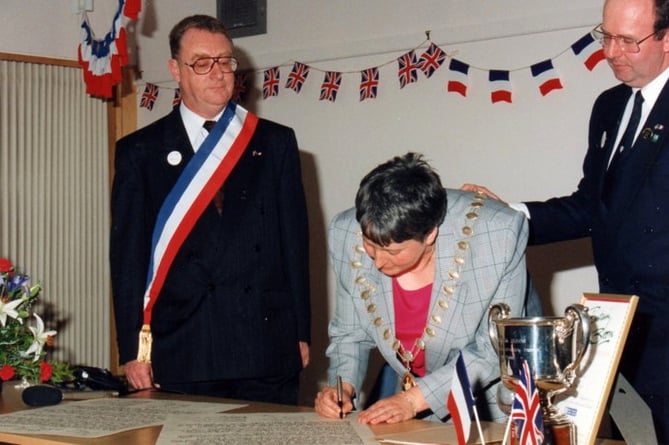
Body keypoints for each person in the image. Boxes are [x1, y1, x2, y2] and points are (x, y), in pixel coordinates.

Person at [463, 0, 669, 440]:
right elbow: (592, 208)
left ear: (667, 37)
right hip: (620, 324)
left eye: (628, 41)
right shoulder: (610, 107)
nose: (611, 52)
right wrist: (506, 216)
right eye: (606, 35)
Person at [110, 14, 310, 405]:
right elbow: (128, 260)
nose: (218, 74)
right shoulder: (140, 151)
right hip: (183, 344)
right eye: (202, 63)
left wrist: (301, 333)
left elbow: (295, 247)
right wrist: (133, 350)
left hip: (265, 344)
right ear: (175, 70)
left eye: (225, 61)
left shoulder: (274, 142)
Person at [315, 153, 529, 424]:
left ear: (430, 234)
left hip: (487, 405)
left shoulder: (499, 235)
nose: (378, 261)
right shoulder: (346, 231)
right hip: (406, 407)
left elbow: (493, 350)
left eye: (393, 251)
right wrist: (342, 386)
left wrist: (414, 400)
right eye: (371, 245)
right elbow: (349, 333)